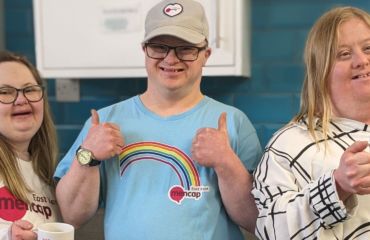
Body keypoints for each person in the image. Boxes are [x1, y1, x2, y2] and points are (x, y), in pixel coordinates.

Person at [54, 0, 262, 239]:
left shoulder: (233, 122)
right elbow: (71, 216)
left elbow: (255, 221)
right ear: (144, 50)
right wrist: (87, 155)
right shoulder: (104, 122)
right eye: (159, 47)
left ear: (205, 55)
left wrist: (226, 163)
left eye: (185, 48)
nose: (171, 59)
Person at [252, 6, 370, 240]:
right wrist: (337, 186)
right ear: (321, 70)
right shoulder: (289, 144)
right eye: (344, 54)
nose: (362, 60)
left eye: (368, 48)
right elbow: (271, 231)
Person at [0, 51, 60, 240]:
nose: (21, 99)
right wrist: (8, 235)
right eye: (4, 92)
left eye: (29, 89)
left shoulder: (47, 175)